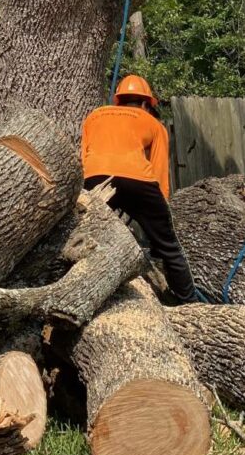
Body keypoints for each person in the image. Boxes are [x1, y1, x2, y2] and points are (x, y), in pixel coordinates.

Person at [81, 74, 196, 303]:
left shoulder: (94, 116)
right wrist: (161, 217)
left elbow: (83, 156)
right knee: (169, 247)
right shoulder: (153, 123)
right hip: (138, 179)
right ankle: (188, 302)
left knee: (88, 237)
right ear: (146, 104)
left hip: (94, 177)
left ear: (118, 101)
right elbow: (160, 171)